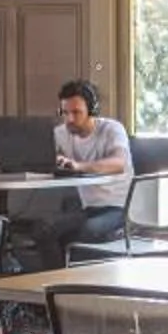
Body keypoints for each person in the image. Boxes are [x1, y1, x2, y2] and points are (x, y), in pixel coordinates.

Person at [37, 77, 131, 268]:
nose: (70, 119)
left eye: (77, 112)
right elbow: (33, 156)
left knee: (85, 231)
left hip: (120, 208)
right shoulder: (61, 133)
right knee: (43, 229)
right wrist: (2, 161)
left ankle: (77, 286)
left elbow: (118, 163)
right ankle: (56, 287)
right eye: (65, 113)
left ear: (92, 111)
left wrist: (78, 166)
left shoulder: (112, 129)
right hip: (89, 209)